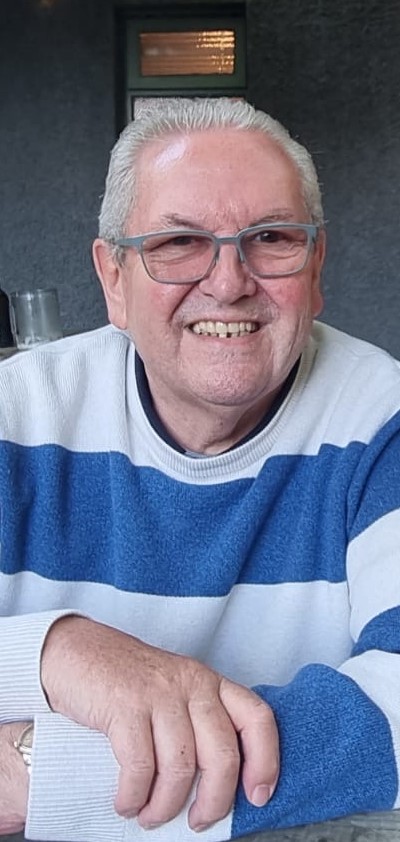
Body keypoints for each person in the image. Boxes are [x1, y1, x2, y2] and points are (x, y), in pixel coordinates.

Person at [0, 96, 399, 842]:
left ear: (316, 266)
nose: (228, 282)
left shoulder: (384, 421)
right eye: (179, 242)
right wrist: (56, 653)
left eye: (271, 238)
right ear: (113, 277)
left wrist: (39, 772)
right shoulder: (13, 417)